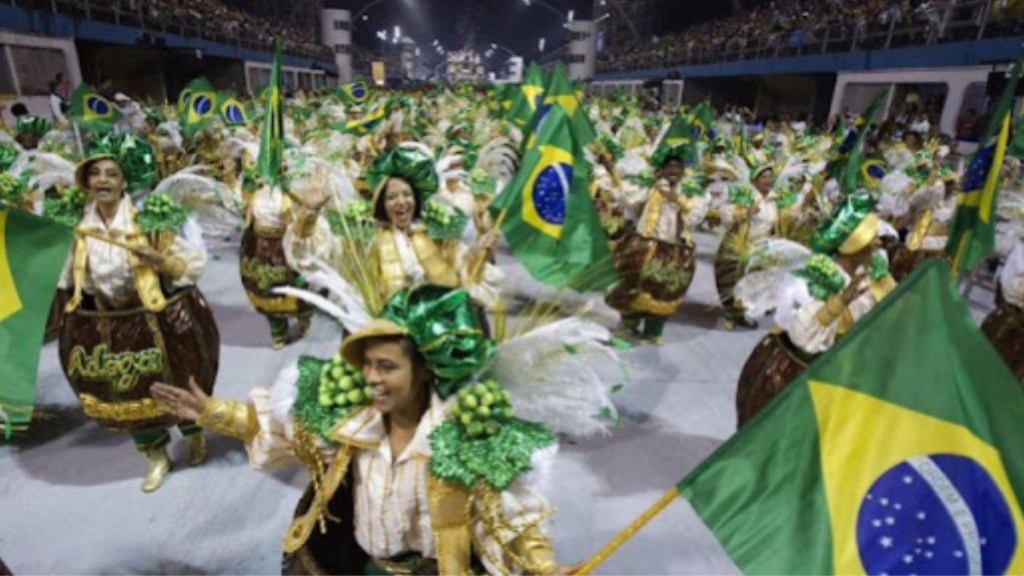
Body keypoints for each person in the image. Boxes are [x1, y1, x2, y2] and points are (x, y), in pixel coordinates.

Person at [153, 285, 598, 575]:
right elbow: (278, 428)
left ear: (425, 371)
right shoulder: (354, 419)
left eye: (386, 367)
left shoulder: (468, 440)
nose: (370, 377)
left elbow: (512, 516)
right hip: (358, 565)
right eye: (367, 363)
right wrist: (213, 412)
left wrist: (546, 568)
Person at [57, 145, 218, 492]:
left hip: (156, 320)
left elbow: (189, 269)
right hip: (107, 327)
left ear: (123, 182)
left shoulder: (148, 222)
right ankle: (156, 457)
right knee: (128, 396)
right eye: (95, 173)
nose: (102, 179)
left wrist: (157, 260)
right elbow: (66, 278)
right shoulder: (79, 230)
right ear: (87, 182)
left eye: (111, 173)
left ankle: (194, 435)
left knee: (180, 383)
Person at [733, 194, 896, 426]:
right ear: (855, 244)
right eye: (873, 237)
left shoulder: (867, 277)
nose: (879, 243)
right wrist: (838, 304)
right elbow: (803, 336)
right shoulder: (815, 279)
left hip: (835, 379)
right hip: (795, 378)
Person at [605, 142, 708, 344]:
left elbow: (695, 217)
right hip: (645, 246)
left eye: (677, 167)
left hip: (676, 251)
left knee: (666, 291)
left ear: (683, 171)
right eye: (669, 166)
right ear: (661, 170)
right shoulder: (650, 187)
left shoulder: (690, 192)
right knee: (633, 285)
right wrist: (611, 170)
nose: (673, 170)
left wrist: (678, 199)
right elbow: (627, 198)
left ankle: (653, 331)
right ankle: (628, 328)